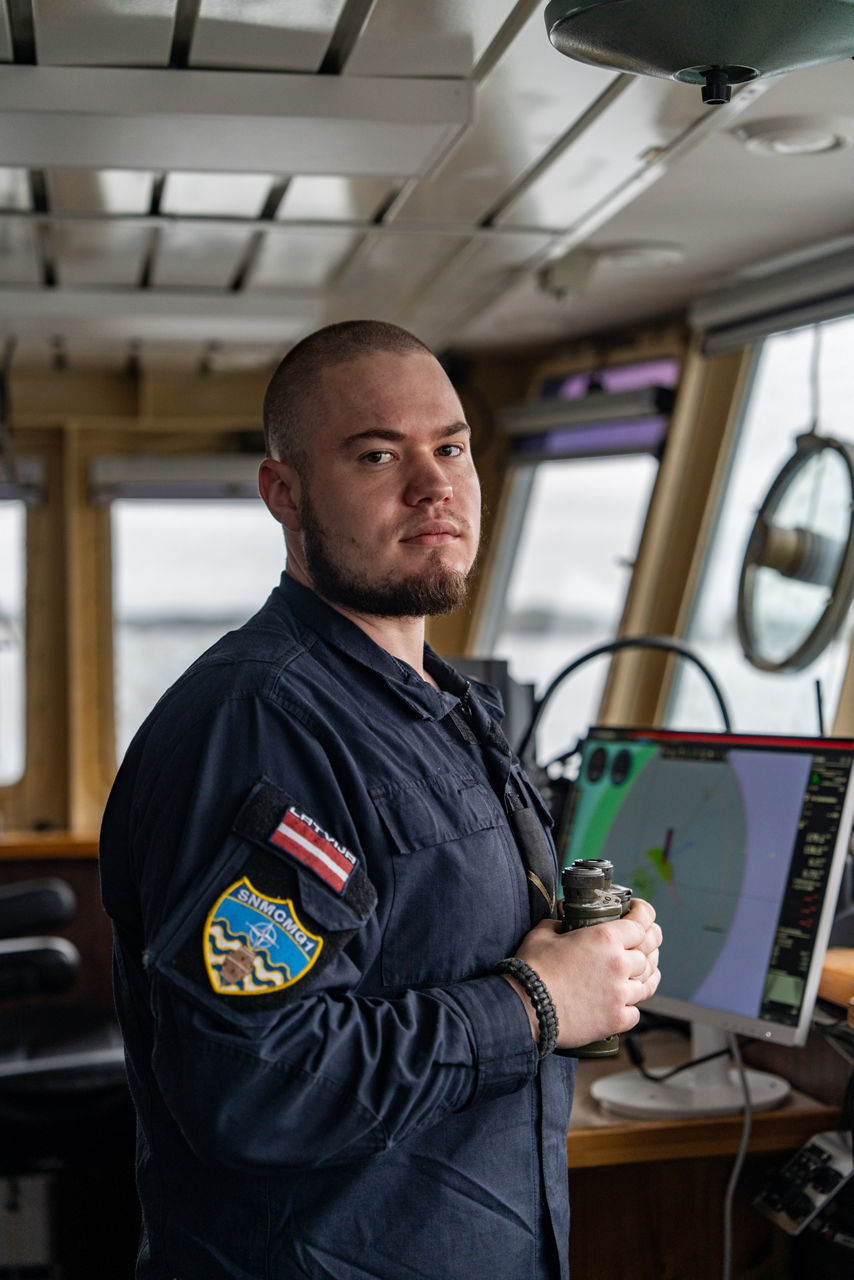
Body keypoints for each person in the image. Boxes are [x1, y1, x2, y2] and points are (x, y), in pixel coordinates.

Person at [99, 320, 661, 1279]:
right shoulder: (261, 721)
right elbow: (254, 1082)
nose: (434, 485)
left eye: (452, 448)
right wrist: (534, 1005)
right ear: (284, 492)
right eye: (377, 455)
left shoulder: (445, 709)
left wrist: (591, 961)